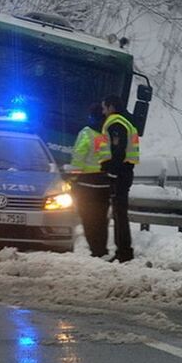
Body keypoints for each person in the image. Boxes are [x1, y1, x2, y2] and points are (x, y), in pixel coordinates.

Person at [67, 103, 112, 257]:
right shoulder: (109, 133)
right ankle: (102, 248)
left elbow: (79, 156)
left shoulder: (86, 133)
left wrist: (73, 177)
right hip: (105, 183)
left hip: (87, 183)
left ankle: (95, 249)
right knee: (101, 218)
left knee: (88, 218)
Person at [101, 94, 140, 263]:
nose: (103, 112)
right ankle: (123, 250)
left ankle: (124, 251)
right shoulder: (126, 122)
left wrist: (112, 171)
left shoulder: (116, 123)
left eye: (104, 108)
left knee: (119, 213)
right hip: (125, 171)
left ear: (111, 108)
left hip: (120, 173)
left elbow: (118, 150)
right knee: (119, 213)